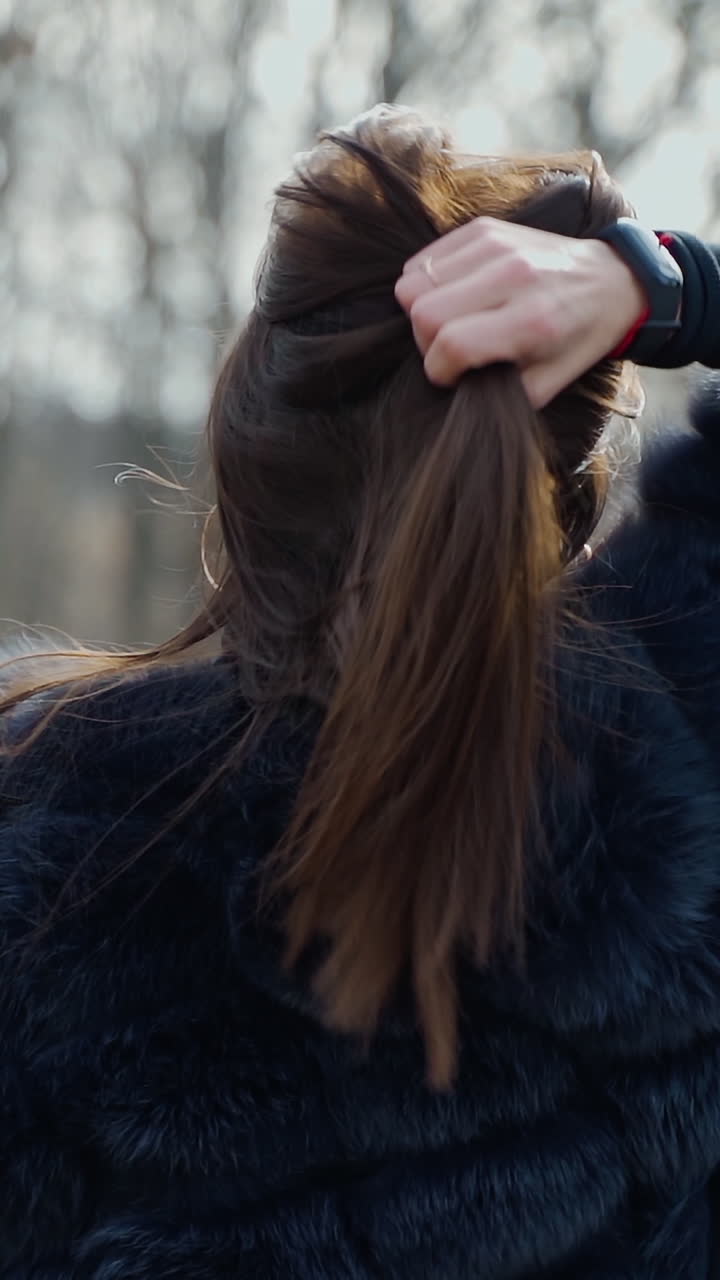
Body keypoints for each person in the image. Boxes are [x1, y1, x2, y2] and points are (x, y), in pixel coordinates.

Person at [3, 102, 720, 1279]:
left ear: (245, 468)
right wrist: (663, 287)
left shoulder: (65, 845)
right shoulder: (683, 737)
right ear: (571, 499)